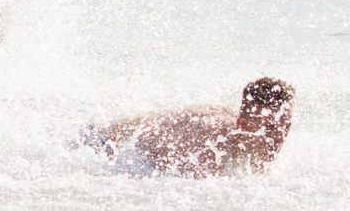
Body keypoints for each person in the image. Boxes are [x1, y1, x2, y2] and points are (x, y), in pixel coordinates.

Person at [79, 77, 295, 177]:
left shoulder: (249, 141)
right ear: (242, 123)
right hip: (98, 141)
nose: (277, 139)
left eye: (285, 127)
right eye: (268, 129)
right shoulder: (209, 148)